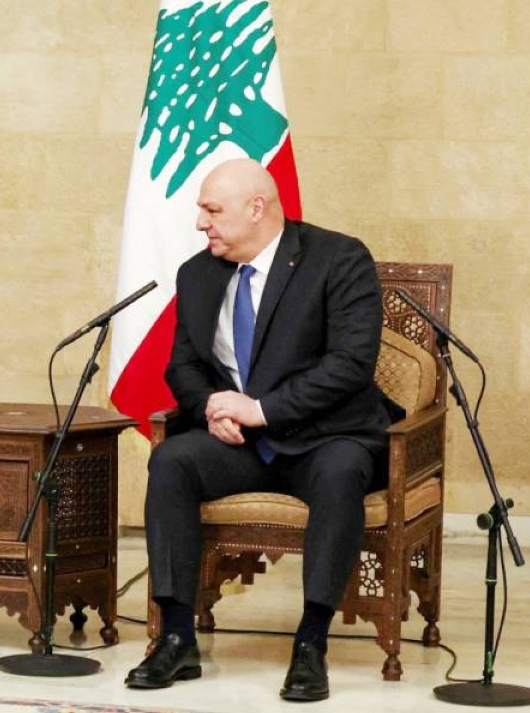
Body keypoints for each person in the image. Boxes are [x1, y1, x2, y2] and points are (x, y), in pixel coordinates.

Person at [124, 159, 389, 702]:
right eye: (202, 211)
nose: (201, 223)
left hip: (325, 436)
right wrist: (212, 409)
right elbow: (183, 366)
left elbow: (350, 364)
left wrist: (261, 409)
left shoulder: (338, 259)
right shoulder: (198, 274)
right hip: (241, 446)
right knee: (171, 461)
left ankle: (311, 642)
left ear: (256, 208)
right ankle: (176, 637)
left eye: (212, 210)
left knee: (342, 472)